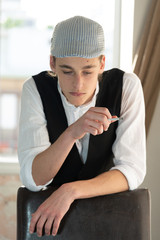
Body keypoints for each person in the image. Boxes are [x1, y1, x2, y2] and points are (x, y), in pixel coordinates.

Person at [18, 16, 146, 237]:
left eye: (88, 71)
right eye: (67, 71)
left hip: (112, 220)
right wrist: (72, 133)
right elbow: (34, 179)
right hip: (52, 228)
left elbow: (132, 170)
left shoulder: (126, 86)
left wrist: (71, 191)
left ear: (102, 64)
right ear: (52, 64)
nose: (78, 84)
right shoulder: (35, 89)